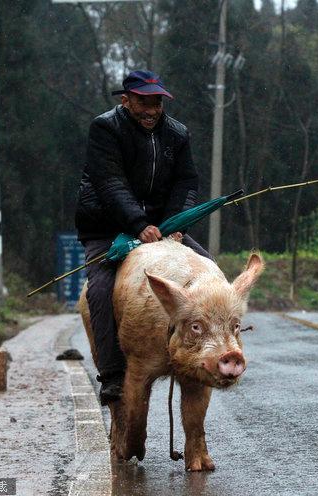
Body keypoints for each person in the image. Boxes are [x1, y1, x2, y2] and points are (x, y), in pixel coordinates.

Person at [75, 70, 211, 404]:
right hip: (108, 228)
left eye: (156, 103)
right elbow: (109, 182)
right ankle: (111, 375)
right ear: (126, 100)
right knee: (102, 289)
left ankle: (207, 355)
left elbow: (186, 182)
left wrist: (175, 224)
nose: (150, 110)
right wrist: (138, 225)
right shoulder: (105, 128)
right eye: (142, 102)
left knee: (209, 272)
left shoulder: (177, 134)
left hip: (162, 229)